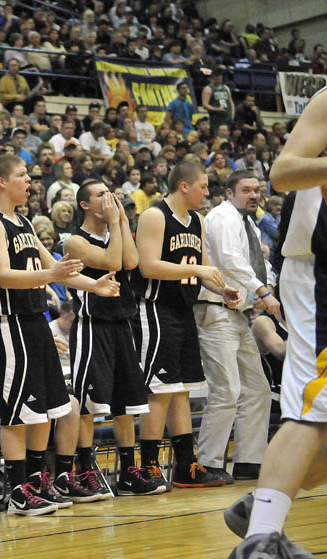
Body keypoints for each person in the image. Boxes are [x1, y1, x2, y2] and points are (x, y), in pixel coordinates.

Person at [0, 155, 120, 515]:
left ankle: (38, 480)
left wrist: (93, 286)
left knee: (47, 408)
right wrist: (52, 276)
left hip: (34, 319)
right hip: (8, 322)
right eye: (21, 176)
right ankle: (18, 490)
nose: (29, 181)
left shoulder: (21, 221)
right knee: (18, 412)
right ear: (2, 181)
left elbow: (55, 269)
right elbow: (2, 276)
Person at [226, 86, 327, 559]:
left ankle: (264, 500)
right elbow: (282, 173)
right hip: (317, 268)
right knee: (316, 408)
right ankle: (260, 538)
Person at [130, 160, 240, 490]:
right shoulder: (154, 215)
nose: (207, 193)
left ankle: (185, 466)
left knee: (181, 390)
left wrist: (221, 289)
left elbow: (201, 268)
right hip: (154, 309)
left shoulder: (198, 221)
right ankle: (148, 465)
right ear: (184, 186)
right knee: (160, 391)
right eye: (203, 186)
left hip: (183, 310)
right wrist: (200, 272)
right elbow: (148, 266)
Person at [64, 180, 163, 497]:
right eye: (100, 195)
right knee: (88, 406)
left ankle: (128, 472)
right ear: (84, 205)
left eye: (111, 193)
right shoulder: (75, 241)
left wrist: (120, 221)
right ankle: (86, 469)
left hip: (122, 324)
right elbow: (112, 262)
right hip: (92, 325)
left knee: (126, 403)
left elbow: (132, 263)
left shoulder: (117, 231)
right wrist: (117, 224)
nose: (109, 198)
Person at [194, 170, 275, 483]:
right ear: (228, 192)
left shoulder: (248, 222)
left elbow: (253, 263)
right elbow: (230, 262)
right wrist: (262, 291)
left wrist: (263, 289)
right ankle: (208, 463)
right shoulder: (223, 217)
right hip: (215, 312)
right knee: (226, 389)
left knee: (258, 389)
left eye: (256, 190)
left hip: (238, 314)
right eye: (246, 190)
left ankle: (248, 460)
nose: (253, 195)